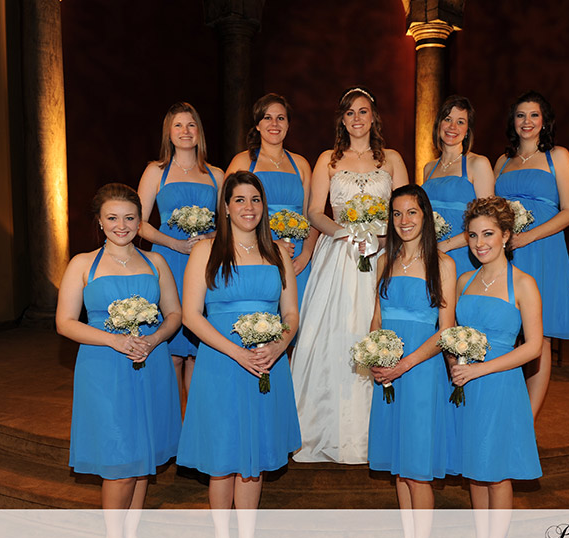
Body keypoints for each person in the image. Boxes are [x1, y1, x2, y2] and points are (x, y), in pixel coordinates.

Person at [177, 171, 301, 538]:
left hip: (267, 364)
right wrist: (236, 352)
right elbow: (192, 315)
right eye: (240, 200)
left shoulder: (278, 252)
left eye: (255, 200)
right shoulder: (206, 251)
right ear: (226, 207)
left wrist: (279, 345)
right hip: (221, 363)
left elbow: (291, 313)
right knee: (224, 453)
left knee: (256, 454)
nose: (249, 207)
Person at [55, 183, 182, 538]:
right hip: (103, 368)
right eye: (112, 218)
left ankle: (132, 535)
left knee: (143, 454)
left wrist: (154, 339)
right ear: (99, 221)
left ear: (141, 221)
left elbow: (174, 315)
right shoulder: (82, 264)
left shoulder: (156, 262)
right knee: (120, 455)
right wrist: (115, 340)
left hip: (151, 363)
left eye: (129, 218)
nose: (121, 225)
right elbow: (64, 323)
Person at [291, 86, 409, 464]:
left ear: (373, 116)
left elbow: (405, 208)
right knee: (334, 333)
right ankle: (323, 427)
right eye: (350, 113)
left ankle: (377, 431)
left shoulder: (392, 159)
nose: (357, 118)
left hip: (382, 253)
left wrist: (382, 238)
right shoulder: (328, 159)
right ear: (342, 120)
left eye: (363, 111)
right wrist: (345, 233)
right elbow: (314, 212)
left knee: (373, 326)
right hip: (339, 254)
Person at [448, 196, 543, 538]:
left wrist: (481, 369)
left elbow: (533, 347)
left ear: (506, 235)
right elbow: (451, 335)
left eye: (488, 234)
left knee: (497, 471)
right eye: (472, 236)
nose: (479, 243)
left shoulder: (523, 284)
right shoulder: (463, 281)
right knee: (476, 467)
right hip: (466, 386)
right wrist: (455, 363)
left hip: (501, 386)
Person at [367, 184, 456, 538]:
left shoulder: (443, 264)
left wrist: (404, 364)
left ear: (426, 216)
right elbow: (377, 317)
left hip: (420, 372)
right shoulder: (385, 260)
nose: (404, 221)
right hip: (388, 374)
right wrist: (375, 355)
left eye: (412, 212)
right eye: (397, 213)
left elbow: (445, 330)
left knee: (417, 465)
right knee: (400, 465)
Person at [493, 91, 569, 419]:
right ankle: (505, 410)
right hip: (506, 254)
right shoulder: (502, 162)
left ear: (545, 121)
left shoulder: (559, 156)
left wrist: (528, 236)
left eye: (533, 115)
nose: (527, 122)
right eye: (520, 115)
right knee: (506, 332)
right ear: (512, 122)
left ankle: (527, 421)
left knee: (538, 336)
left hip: (543, 251)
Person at [138, 101, 224, 413]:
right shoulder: (156, 171)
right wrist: (174, 244)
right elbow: (139, 223)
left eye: (191, 125)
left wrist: (209, 237)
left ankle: (197, 426)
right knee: (173, 353)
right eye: (178, 125)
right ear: (169, 133)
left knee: (200, 353)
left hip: (205, 264)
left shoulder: (216, 175)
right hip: (168, 260)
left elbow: (229, 224)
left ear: (199, 131)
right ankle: (175, 425)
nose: (185, 131)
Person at [226, 93, 315, 313]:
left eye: (280, 118)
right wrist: (269, 246)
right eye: (267, 118)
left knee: (297, 319)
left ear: (288, 125)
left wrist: (305, 256)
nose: (274, 124)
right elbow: (228, 213)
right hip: (257, 252)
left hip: (296, 258)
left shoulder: (301, 165)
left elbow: (311, 216)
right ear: (257, 125)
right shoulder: (243, 161)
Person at [422, 95, 494, 276]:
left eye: (460, 122)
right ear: (439, 124)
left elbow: (487, 220)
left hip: (464, 255)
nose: (452, 127)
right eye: (448, 119)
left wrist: (444, 246)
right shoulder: (429, 168)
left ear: (467, 130)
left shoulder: (478, 164)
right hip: (431, 257)